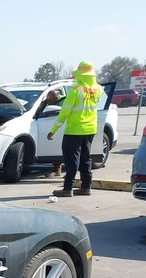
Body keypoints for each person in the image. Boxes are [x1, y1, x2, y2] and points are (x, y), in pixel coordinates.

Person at [47, 61, 103, 197]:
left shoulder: (75, 92)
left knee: (72, 160)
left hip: (74, 130)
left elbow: (64, 113)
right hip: (90, 129)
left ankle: (67, 188)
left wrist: (53, 130)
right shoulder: (99, 90)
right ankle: (86, 187)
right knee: (85, 158)